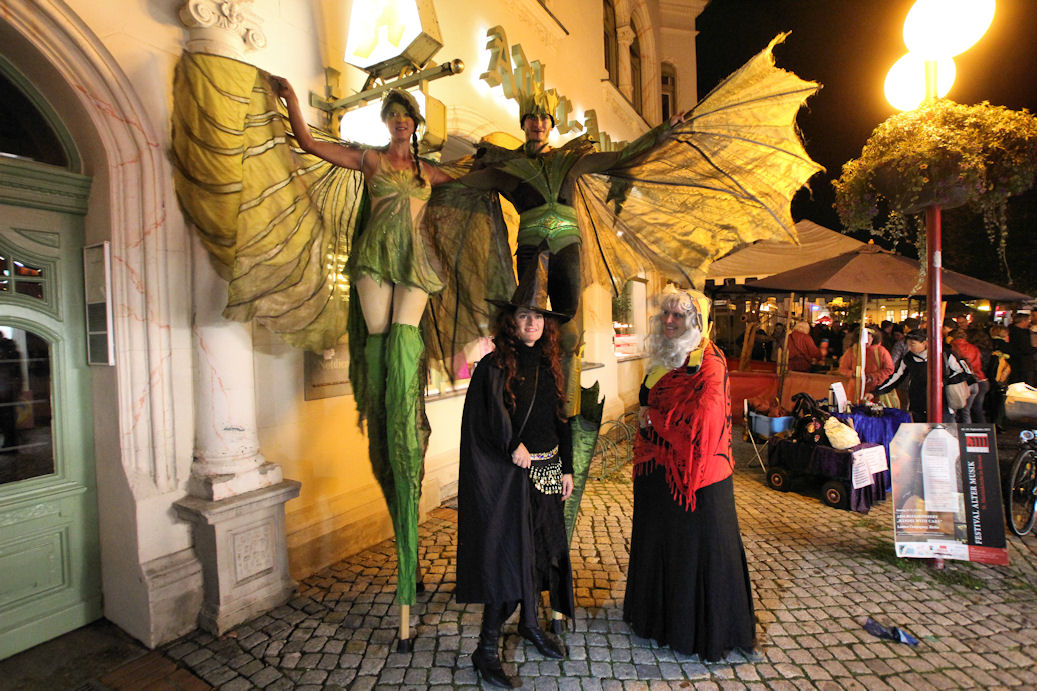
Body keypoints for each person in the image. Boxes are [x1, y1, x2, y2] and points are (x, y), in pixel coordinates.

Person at [272, 77, 455, 615]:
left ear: (416, 124)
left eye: (407, 115)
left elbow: (476, 182)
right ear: (387, 123)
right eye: (394, 114)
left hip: (415, 264)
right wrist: (289, 99)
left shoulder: (429, 173)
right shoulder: (372, 162)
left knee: (402, 349)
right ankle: (387, 410)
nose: (401, 121)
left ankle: (400, 410)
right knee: (379, 351)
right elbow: (309, 146)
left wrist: (509, 164)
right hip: (376, 261)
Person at [456, 253, 575, 688]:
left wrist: (565, 468)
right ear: (511, 320)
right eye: (525, 316)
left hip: (546, 471)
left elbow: (559, 420)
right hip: (512, 479)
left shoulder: (549, 363)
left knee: (542, 552)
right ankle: (485, 648)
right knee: (510, 557)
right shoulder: (493, 367)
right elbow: (483, 423)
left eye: (539, 317)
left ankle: (530, 624)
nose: (533, 324)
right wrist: (511, 444)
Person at [623, 289, 755, 662]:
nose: (668, 321)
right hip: (657, 473)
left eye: (678, 316)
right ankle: (656, 620)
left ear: (696, 320)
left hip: (696, 479)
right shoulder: (664, 356)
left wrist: (655, 420)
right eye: (665, 314)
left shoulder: (710, 362)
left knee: (695, 551)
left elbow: (705, 421)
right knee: (660, 544)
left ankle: (691, 630)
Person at [868, 329, 970, 422]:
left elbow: (965, 372)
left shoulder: (945, 355)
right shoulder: (908, 358)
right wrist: (875, 393)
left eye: (913, 344)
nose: (909, 348)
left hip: (943, 404)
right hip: (918, 404)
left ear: (924, 343)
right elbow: (896, 377)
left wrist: (944, 382)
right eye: (907, 345)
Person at [838, 326, 894, 399]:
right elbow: (842, 369)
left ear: (873, 338)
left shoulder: (881, 351)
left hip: (875, 390)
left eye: (868, 339)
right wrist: (853, 374)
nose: (866, 342)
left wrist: (872, 376)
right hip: (855, 390)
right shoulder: (852, 351)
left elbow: (889, 369)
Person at [949, 327, 987, 424]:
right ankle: (977, 432)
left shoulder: (951, 347)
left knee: (955, 411)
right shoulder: (974, 347)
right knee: (970, 410)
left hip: (962, 383)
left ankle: (958, 434)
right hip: (978, 379)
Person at [0, 333, 23, 453]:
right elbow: (18, 374)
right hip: (9, 389)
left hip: (5, 389)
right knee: (9, 419)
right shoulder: (12, 351)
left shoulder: (5, 352)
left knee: (7, 420)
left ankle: (10, 446)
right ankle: (11, 445)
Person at [1007, 311, 1034, 386]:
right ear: (1023, 321)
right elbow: (1025, 349)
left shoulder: (1012, 331)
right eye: (1028, 320)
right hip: (1023, 364)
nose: (1029, 322)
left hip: (1018, 363)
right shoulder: (1020, 334)